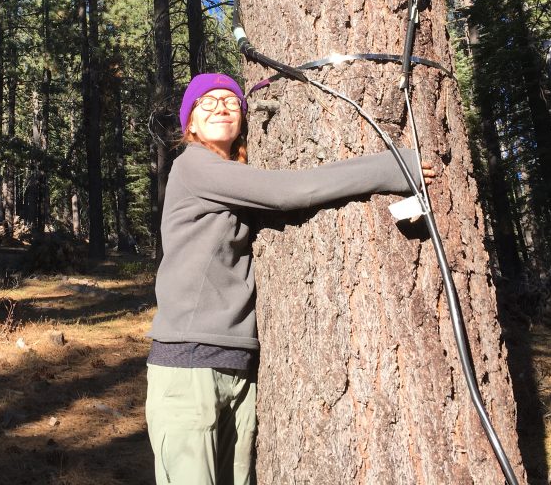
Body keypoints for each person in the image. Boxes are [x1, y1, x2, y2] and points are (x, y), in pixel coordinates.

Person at [145, 73, 435, 485]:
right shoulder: (194, 166)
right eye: (206, 103)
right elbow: (290, 191)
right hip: (188, 366)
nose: (221, 107)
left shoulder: (230, 177)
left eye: (230, 101)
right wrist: (392, 166)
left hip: (236, 364)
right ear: (189, 124)